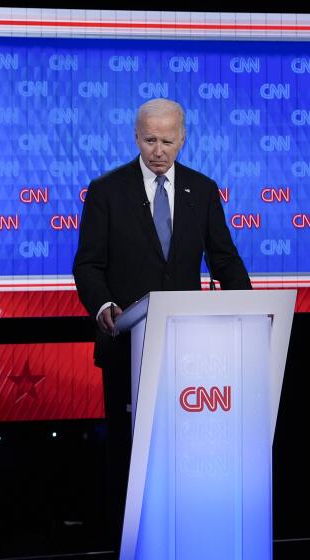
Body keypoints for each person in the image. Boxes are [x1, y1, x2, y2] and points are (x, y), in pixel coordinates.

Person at [72, 98, 251, 546]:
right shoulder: (106, 191)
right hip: (126, 348)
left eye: (167, 140)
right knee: (129, 457)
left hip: (192, 355)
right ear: (136, 137)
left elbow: (225, 261)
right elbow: (88, 266)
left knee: (183, 455)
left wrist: (250, 314)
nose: (158, 150)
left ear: (183, 138)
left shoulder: (202, 190)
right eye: (150, 140)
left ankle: (185, 537)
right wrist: (104, 307)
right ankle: (130, 541)